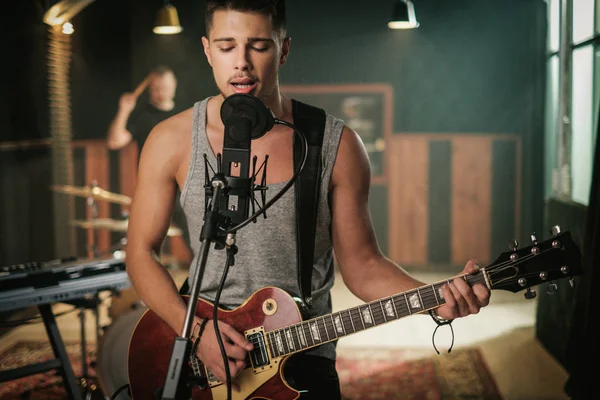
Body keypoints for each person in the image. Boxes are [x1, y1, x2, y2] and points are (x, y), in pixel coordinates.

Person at [124, 1, 491, 399]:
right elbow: (140, 252)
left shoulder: (337, 144)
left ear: (283, 49)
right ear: (207, 50)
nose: (241, 63)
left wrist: (435, 299)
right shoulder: (170, 140)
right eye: (227, 46)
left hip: (302, 359)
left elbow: (364, 266)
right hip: (200, 354)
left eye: (259, 46)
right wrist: (195, 332)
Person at [106, 65, 192, 263]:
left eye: (165, 87)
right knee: (147, 248)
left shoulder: (186, 113)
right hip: (153, 188)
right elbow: (114, 141)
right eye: (157, 88)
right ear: (150, 89)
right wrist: (124, 110)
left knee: (197, 242)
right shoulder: (142, 115)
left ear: (174, 86)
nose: (161, 92)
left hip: (184, 187)